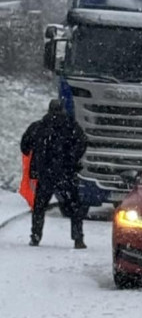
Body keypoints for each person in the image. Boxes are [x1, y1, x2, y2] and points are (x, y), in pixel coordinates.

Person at [20, 99, 88, 248]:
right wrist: (71, 158)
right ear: (62, 109)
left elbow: (25, 146)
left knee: (39, 207)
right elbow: (83, 142)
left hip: (45, 174)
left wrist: (39, 156)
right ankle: (78, 239)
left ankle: (35, 236)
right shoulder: (71, 127)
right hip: (67, 173)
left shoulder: (38, 127)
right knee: (74, 206)